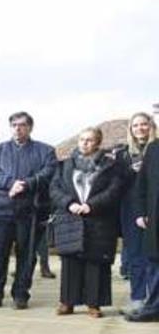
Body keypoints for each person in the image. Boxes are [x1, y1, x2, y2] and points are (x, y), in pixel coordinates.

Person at [0, 112, 57, 309]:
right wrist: (10, 183)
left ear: (30, 127)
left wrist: (26, 184)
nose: (18, 128)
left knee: (27, 254)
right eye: (14, 125)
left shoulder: (45, 150)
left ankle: (21, 294)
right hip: (1, 210)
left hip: (30, 211)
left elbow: (48, 172)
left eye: (22, 125)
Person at [50, 127, 124, 319]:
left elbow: (114, 190)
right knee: (70, 262)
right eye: (82, 139)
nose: (85, 143)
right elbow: (55, 188)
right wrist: (69, 204)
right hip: (71, 217)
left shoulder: (110, 166)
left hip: (98, 219)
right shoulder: (65, 165)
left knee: (96, 263)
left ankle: (94, 303)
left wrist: (92, 205)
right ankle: (67, 302)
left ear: (98, 142)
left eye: (90, 140)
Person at [115, 113, 155, 312]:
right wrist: (132, 171)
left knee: (153, 256)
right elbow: (116, 184)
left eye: (144, 124)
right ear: (131, 129)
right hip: (130, 210)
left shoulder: (156, 149)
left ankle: (153, 298)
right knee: (135, 255)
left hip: (153, 208)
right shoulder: (123, 154)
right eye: (136, 125)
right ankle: (138, 297)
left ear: (151, 126)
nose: (140, 128)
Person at [126, 114, 159, 322]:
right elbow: (142, 185)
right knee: (155, 262)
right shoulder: (154, 149)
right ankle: (153, 308)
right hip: (155, 217)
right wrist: (140, 213)